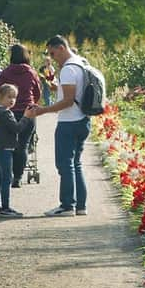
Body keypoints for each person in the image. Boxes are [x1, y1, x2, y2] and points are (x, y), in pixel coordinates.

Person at [30, 35, 90, 217]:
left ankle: (66, 206)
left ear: (62, 48)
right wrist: (58, 88)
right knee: (76, 164)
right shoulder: (82, 63)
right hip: (84, 119)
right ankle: (80, 206)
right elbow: (74, 93)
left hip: (69, 122)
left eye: (53, 53)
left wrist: (43, 110)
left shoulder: (68, 69)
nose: (53, 57)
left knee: (65, 165)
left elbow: (68, 101)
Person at [0, 44, 41, 188]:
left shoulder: (6, 73)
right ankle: (18, 177)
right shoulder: (31, 73)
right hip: (28, 110)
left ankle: (7, 174)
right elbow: (38, 92)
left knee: (10, 144)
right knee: (23, 145)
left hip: (10, 112)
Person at [0, 84, 36, 217]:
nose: (12, 100)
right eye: (9, 97)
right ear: (0, 97)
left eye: (14, 97)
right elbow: (17, 128)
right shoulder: (6, 113)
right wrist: (26, 117)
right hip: (5, 149)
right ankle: (5, 207)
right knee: (7, 178)